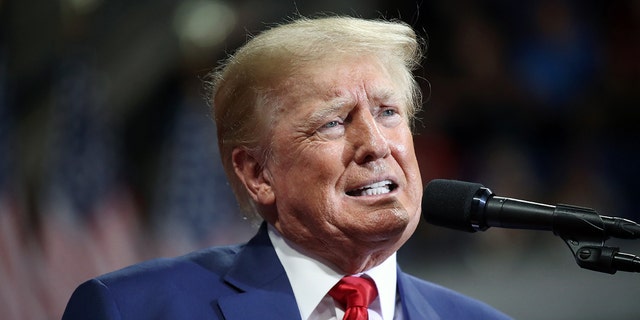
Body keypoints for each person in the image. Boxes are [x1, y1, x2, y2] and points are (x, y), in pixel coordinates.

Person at [62, 16, 512, 320]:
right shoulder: (132, 310)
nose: (376, 145)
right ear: (257, 174)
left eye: (388, 112)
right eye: (334, 122)